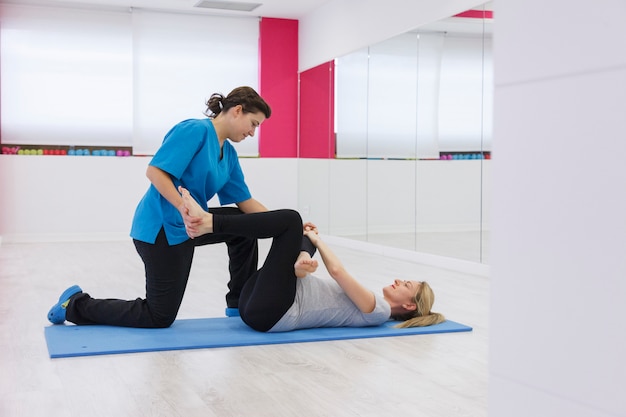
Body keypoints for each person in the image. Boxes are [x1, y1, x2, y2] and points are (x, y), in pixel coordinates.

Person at [48, 86, 274, 328]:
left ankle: (238, 304)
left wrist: (287, 223)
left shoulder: (227, 153)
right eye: (254, 124)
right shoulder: (195, 130)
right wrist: (183, 207)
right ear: (237, 111)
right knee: (159, 316)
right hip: (162, 229)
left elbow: (245, 202)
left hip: (191, 225)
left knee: (245, 225)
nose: (252, 132)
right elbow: (155, 171)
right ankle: (75, 305)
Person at [179, 187, 446, 333]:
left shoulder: (379, 311)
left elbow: (337, 271)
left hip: (273, 313)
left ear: (409, 306)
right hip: (257, 305)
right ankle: (301, 257)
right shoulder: (374, 303)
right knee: (298, 233)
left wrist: (318, 241)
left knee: (291, 221)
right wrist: (305, 252)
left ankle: (209, 223)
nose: (399, 280)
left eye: (406, 285)